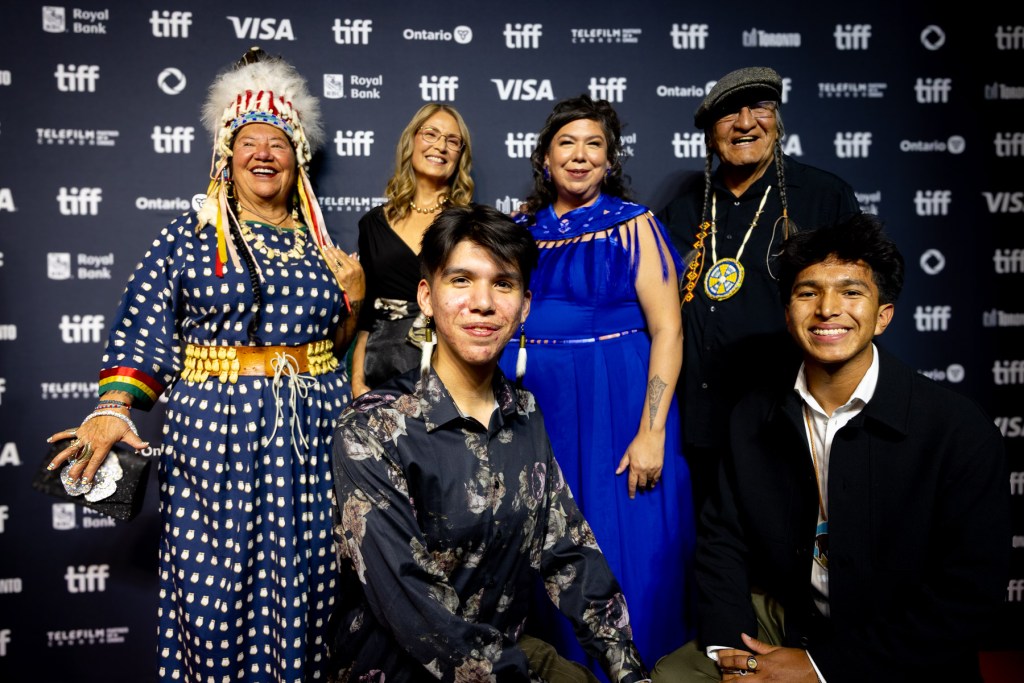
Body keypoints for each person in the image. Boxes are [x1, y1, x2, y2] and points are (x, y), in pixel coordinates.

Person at [45, 47, 365, 682]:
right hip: (216, 429)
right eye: (250, 142)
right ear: (227, 153)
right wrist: (113, 408)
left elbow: (334, 344)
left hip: (311, 433)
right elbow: (141, 323)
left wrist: (353, 297)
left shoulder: (324, 246)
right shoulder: (188, 235)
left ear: (298, 156)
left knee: (310, 577)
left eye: (278, 143)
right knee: (213, 591)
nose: (264, 154)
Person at [651, 213, 1010, 682]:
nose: (827, 308)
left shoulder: (956, 429)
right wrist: (732, 653)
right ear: (787, 314)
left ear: (883, 316)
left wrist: (820, 668)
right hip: (790, 623)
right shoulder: (752, 415)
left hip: (899, 645)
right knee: (674, 676)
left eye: (851, 292)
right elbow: (723, 542)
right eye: (808, 293)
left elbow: (970, 596)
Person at [329, 203, 650, 681]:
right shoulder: (371, 428)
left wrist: (628, 670)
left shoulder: (525, 413)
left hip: (507, 657)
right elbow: (414, 607)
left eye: (503, 284)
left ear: (524, 305)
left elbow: (569, 552)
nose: (482, 302)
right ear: (426, 297)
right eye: (461, 280)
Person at [499, 94, 695, 668]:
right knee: (541, 545)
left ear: (610, 161)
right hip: (537, 406)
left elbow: (668, 330)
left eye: (594, 145)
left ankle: (629, 671)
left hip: (616, 405)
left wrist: (652, 430)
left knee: (616, 542)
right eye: (567, 143)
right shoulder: (519, 229)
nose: (580, 155)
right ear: (545, 157)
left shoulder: (635, 226)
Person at [656, 66, 860, 519]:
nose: (746, 122)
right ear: (710, 135)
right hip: (696, 431)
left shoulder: (823, 197)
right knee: (707, 549)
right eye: (729, 113)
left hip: (787, 423)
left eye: (760, 107)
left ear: (777, 121)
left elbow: (856, 308)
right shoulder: (681, 211)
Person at [350, 103, 475, 398]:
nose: (440, 146)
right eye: (430, 134)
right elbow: (367, 317)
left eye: (452, 141)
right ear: (412, 141)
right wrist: (356, 379)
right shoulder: (372, 224)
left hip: (451, 365)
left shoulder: (471, 223)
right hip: (382, 369)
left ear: (460, 155)